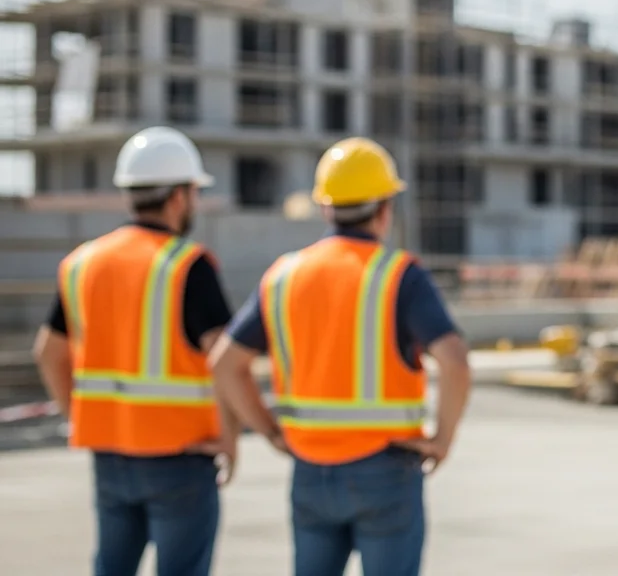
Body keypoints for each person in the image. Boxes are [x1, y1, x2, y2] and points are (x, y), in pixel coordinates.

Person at [209, 136, 472, 576]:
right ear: (385, 208)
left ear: (325, 208)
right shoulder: (398, 275)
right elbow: (455, 361)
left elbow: (224, 364)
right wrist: (442, 439)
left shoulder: (283, 276)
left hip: (310, 470)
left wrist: (269, 431)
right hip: (387, 468)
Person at [31, 126, 239, 576]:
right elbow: (226, 361)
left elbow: (48, 352)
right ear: (179, 196)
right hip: (182, 457)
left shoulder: (82, 263)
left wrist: (79, 417)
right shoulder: (187, 265)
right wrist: (230, 436)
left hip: (109, 456)